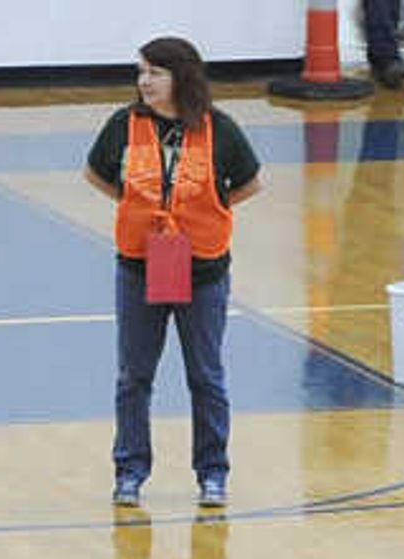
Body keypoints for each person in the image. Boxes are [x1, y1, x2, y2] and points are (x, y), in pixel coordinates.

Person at [89, 39, 263, 511]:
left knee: (205, 376)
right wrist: (146, 212)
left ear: (181, 78)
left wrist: (195, 215)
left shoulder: (219, 130)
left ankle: (213, 473)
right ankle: (129, 471)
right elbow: (99, 174)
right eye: (141, 72)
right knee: (134, 376)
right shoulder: (123, 125)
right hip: (140, 268)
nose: (144, 81)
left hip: (203, 270)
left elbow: (248, 183)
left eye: (155, 73)